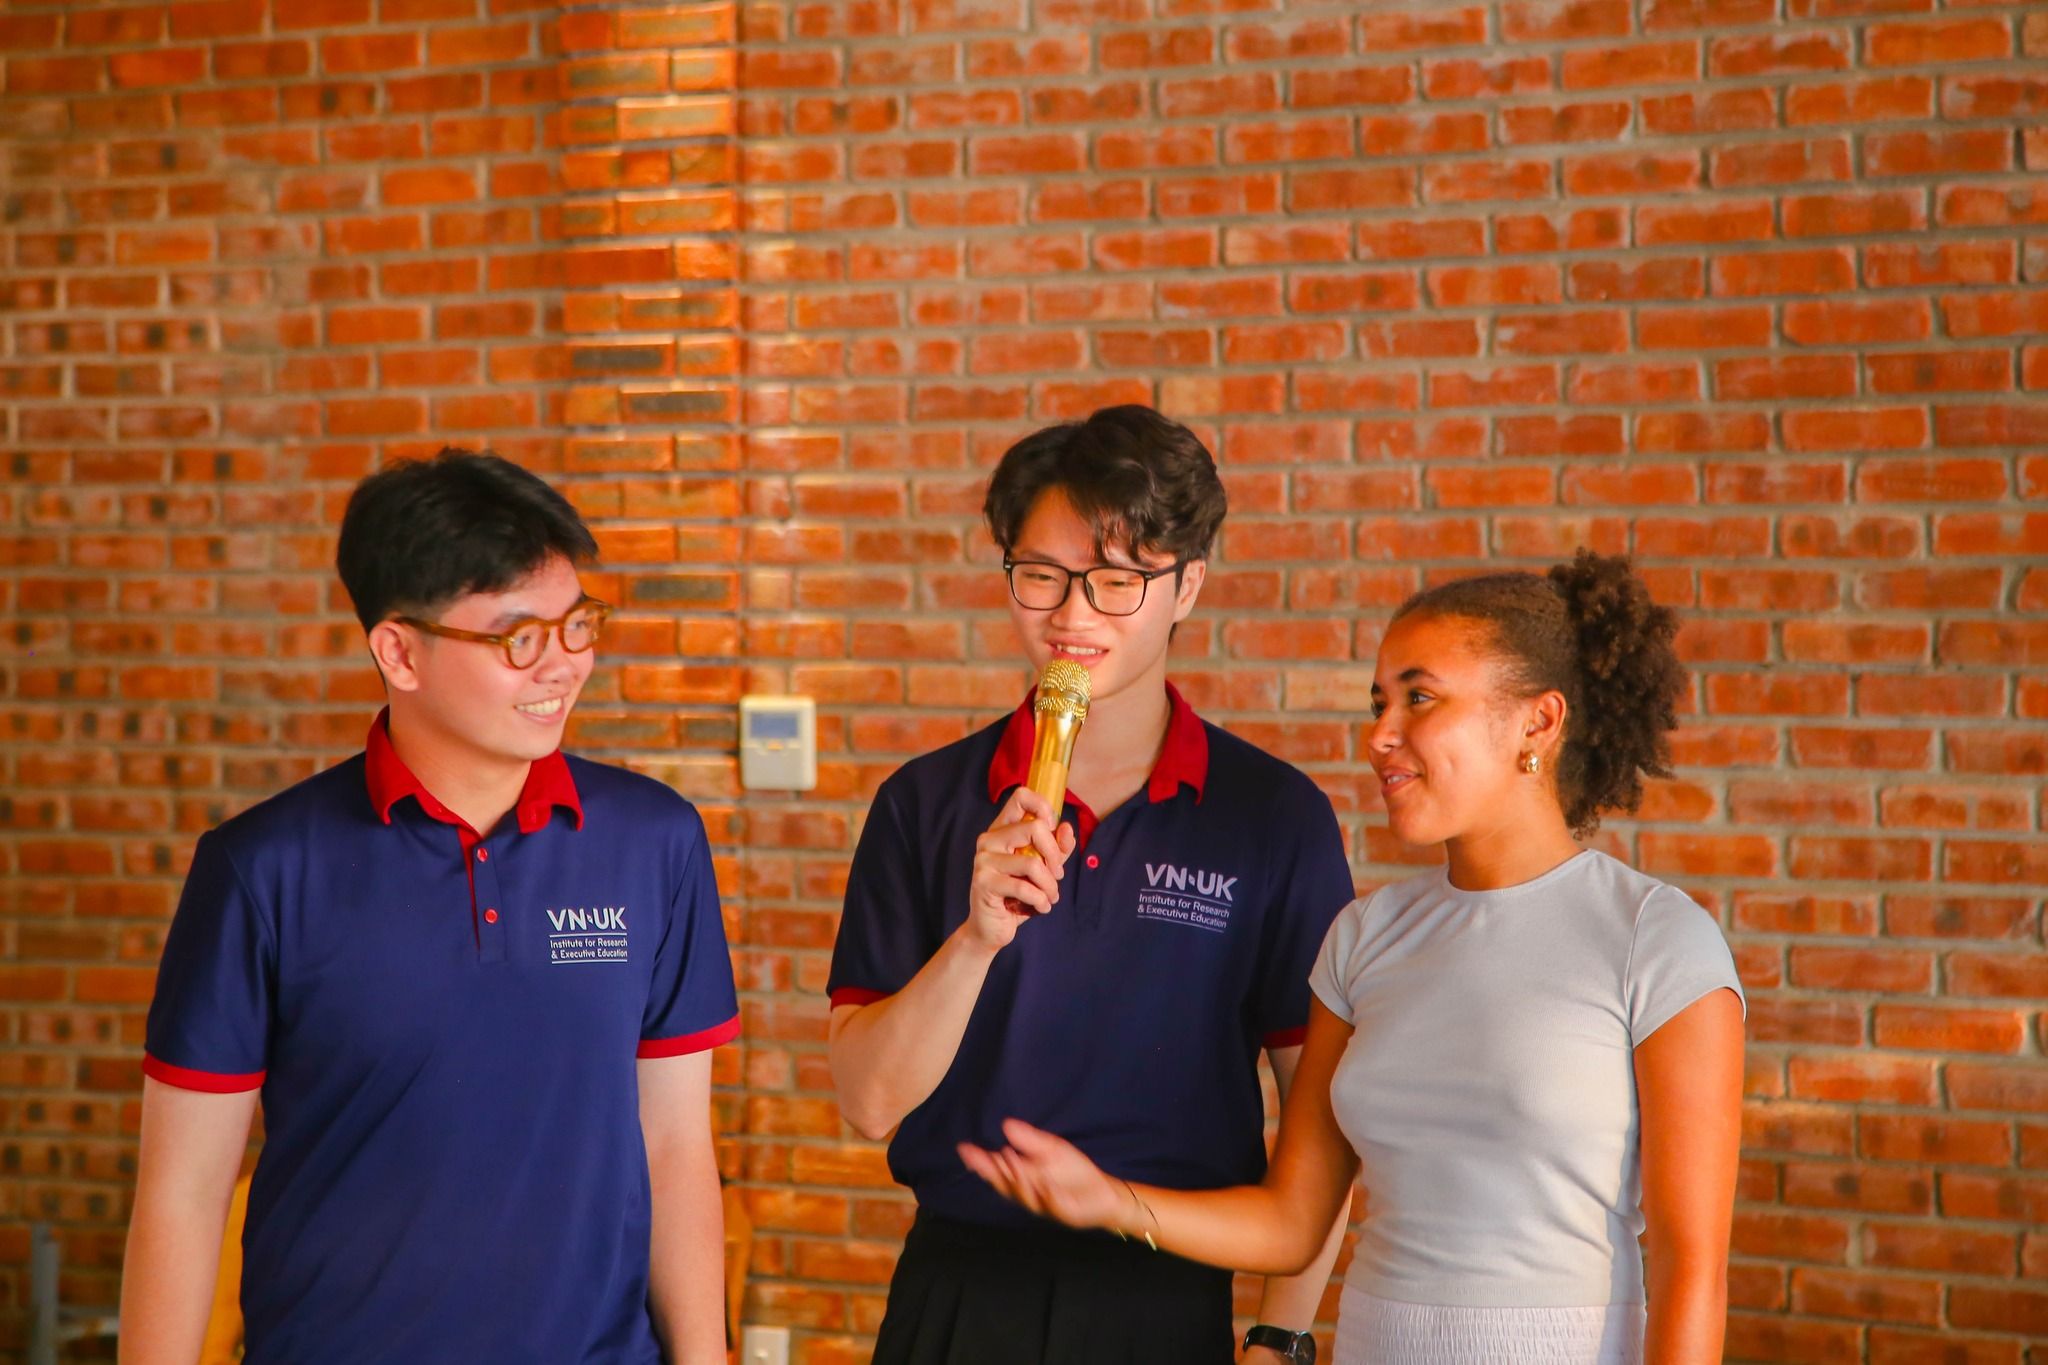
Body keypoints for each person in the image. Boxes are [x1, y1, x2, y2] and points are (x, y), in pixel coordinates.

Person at [963, 551, 1747, 1365]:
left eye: (1420, 698)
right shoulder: (1365, 937)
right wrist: (1112, 1201)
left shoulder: (1656, 940)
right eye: (1379, 702)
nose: (1380, 735)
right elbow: (1293, 1221)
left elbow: (1693, 1270)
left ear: (1538, 723)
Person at [121, 450, 738, 1365]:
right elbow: (183, 1188)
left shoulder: (654, 842)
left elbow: (677, 1144)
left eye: (578, 625)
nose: (563, 665)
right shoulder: (261, 870)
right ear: (398, 651)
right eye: (517, 638)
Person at [827, 406, 1357, 1364]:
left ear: (1187, 585)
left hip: (1166, 1291)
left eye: (1117, 582)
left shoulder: (1273, 817)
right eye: (1041, 577)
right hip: (956, 1294)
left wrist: (1279, 1335)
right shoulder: (925, 801)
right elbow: (868, 1103)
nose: (1072, 618)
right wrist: (977, 937)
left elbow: (1319, 1129)